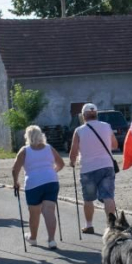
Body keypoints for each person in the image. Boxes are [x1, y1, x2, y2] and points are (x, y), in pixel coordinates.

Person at [12, 125, 65, 250]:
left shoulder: (24, 150)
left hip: (33, 183)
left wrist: (16, 182)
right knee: (49, 211)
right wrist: (52, 172)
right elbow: (61, 164)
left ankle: (33, 238)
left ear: (28, 137)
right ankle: (51, 240)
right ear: (41, 135)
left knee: (34, 212)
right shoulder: (49, 148)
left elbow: (15, 168)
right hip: (51, 181)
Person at [68, 103, 118, 234]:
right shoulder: (107, 126)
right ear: (96, 114)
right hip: (106, 165)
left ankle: (89, 225)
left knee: (88, 199)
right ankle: (112, 226)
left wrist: (72, 162)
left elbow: (73, 151)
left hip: (88, 168)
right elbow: (114, 145)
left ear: (84, 116)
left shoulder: (79, 130)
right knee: (108, 196)